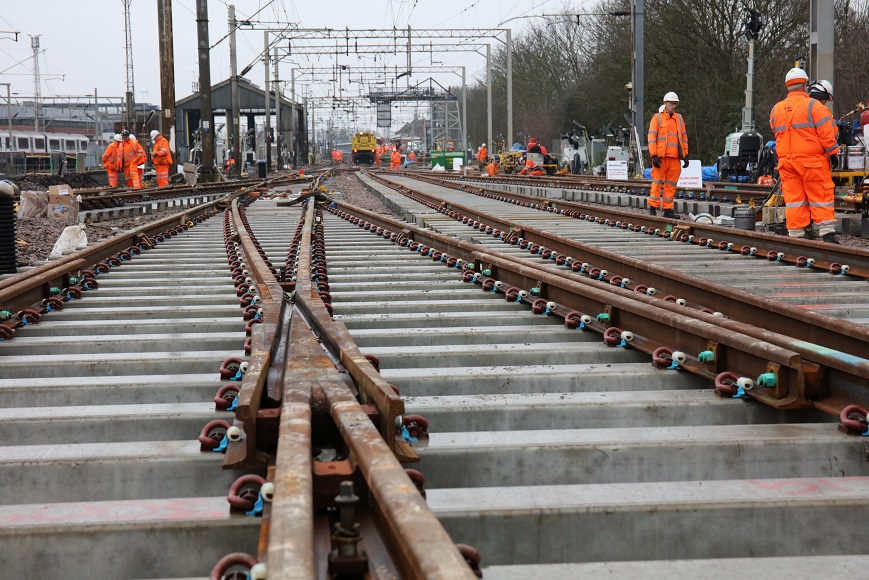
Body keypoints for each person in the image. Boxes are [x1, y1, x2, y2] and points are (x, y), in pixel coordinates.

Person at [770, 68, 840, 243]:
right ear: (804, 85)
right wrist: (833, 153)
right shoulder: (814, 106)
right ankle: (827, 233)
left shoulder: (776, 109)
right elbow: (828, 133)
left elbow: (776, 132)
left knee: (795, 199)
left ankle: (796, 234)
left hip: (786, 163)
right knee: (820, 195)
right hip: (812, 162)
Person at [647, 92, 688, 218]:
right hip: (661, 157)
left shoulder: (679, 119)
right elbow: (652, 137)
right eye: (672, 103)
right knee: (657, 182)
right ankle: (653, 207)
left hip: (674, 158)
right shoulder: (657, 118)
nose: (674, 106)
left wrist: (685, 155)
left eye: (675, 104)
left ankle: (667, 209)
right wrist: (654, 155)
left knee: (671, 185)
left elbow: (683, 137)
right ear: (665, 103)